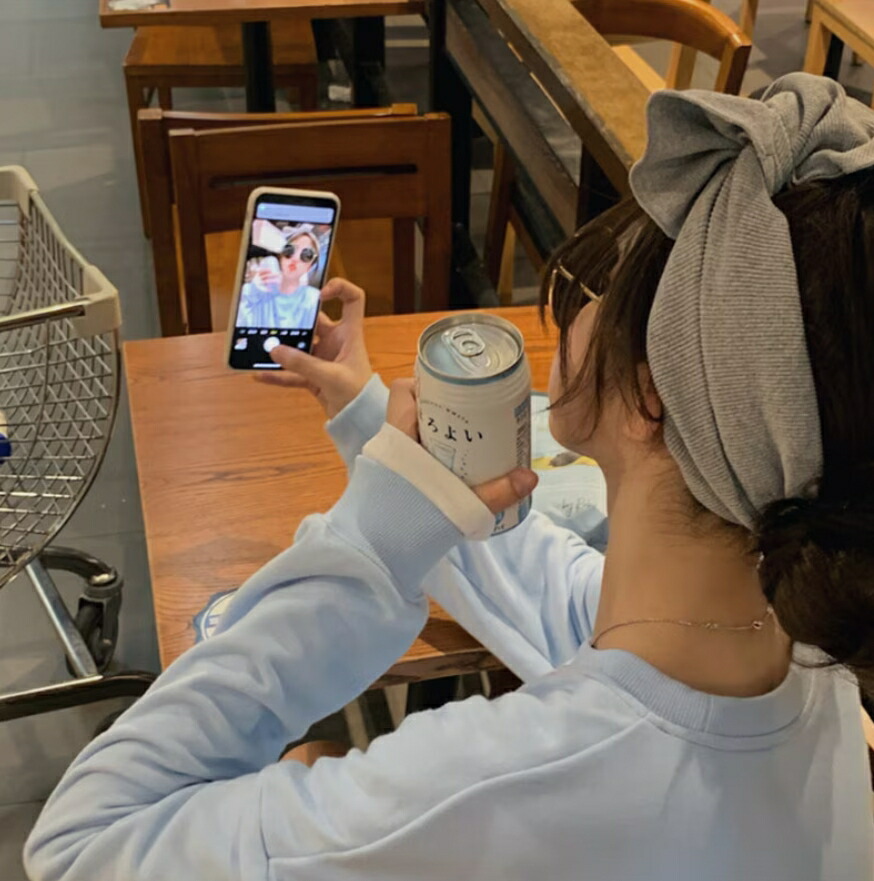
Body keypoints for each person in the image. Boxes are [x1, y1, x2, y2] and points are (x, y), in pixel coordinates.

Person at [24, 73, 874, 880]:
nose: (582, 306)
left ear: (650, 392)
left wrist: (364, 547)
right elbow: (557, 594)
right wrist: (369, 419)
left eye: (604, 285)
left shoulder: (469, 792)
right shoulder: (801, 656)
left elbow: (84, 842)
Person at [238, 226, 322, 329]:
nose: (295, 258)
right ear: (281, 255)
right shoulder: (253, 292)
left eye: (306, 255)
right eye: (290, 250)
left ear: (310, 266)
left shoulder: (313, 299)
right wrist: (254, 291)